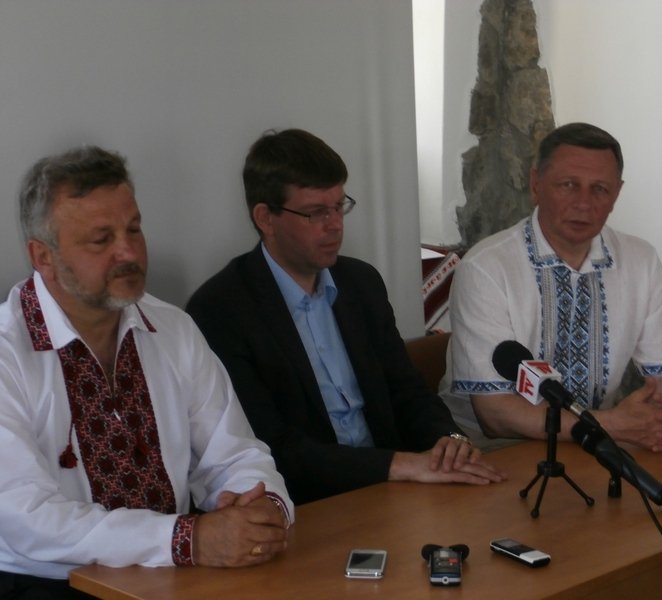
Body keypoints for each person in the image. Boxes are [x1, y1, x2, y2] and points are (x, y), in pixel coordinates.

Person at [0, 146, 294, 598]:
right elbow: (26, 518)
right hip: (47, 585)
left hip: (176, 575)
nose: (128, 252)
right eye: (101, 240)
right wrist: (187, 540)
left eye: (134, 229)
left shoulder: (172, 327)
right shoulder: (7, 352)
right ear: (43, 256)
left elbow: (234, 453)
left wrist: (262, 506)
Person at [186, 128, 505, 505]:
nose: (335, 224)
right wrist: (399, 465)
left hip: (395, 488)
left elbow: (407, 390)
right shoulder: (222, 309)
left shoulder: (360, 283)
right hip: (309, 504)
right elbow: (272, 447)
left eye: (339, 206)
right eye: (315, 212)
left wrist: (448, 441)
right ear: (266, 218)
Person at [443, 122, 662, 452]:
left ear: (617, 194)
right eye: (568, 185)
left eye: (600, 189)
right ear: (536, 184)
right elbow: (495, 416)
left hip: (592, 447)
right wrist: (614, 425)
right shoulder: (486, 268)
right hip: (493, 453)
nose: (583, 203)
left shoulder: (641, 261)